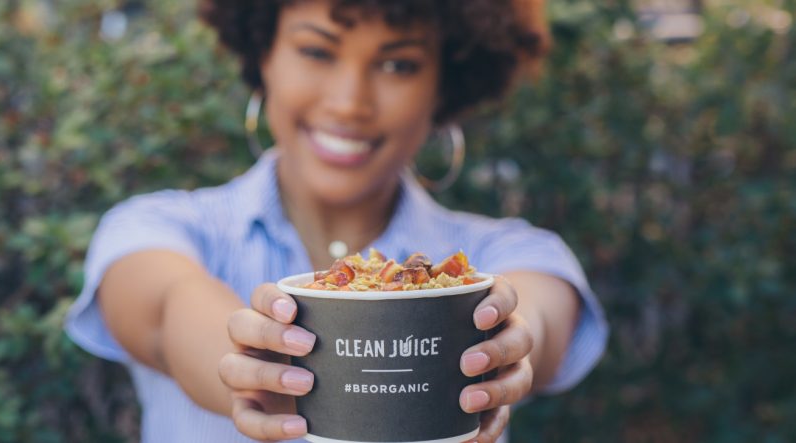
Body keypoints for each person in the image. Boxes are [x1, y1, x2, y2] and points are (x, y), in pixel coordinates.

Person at [65, 0, 608, 441]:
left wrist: (504, 342)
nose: (350, 102)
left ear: (445, 83)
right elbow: (168, 311)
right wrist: (252, 370)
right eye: (317, 51)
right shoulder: (156, 229)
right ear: (265, 54)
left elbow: (537, 317)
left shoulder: (507, 254)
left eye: (398, 64)